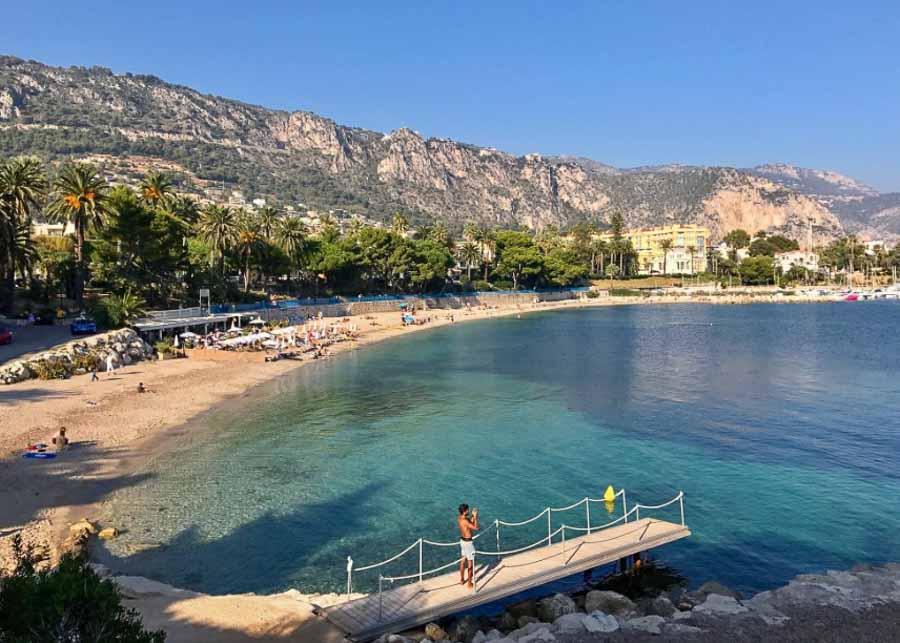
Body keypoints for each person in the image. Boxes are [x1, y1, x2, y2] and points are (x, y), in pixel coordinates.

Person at [457, 503, 479, 589]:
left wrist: (473, 516)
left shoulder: (460, 518)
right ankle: (469, 583)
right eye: (468, 510)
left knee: (463, 560)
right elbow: (476, 527)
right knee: (470, 563)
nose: (469, 511)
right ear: (465, 511)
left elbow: (469, 524)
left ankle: (462, 580)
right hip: (468, 543)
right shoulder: (465, 521)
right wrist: (476, 517)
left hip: (462, 541)